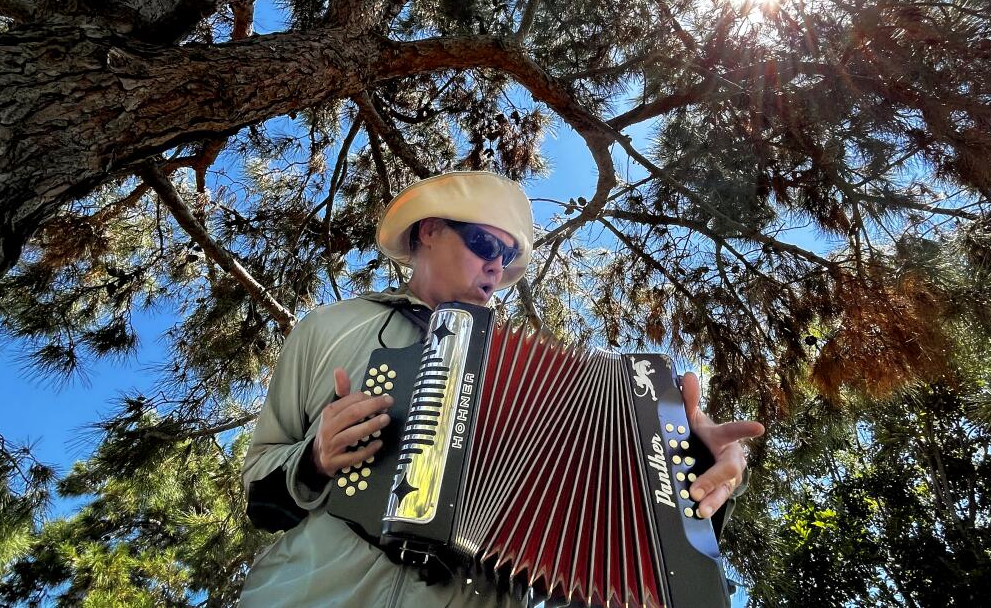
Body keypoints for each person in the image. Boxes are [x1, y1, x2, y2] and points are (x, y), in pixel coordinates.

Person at [239, 171, 765, 607]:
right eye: (485, 243)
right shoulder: (331, 327)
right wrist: (313, 458)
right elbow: (260, 496)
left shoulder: (559, 391)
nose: (496, 265)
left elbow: (614, 554)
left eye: (507, 256)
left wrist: (694, 465)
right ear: (427, 231)